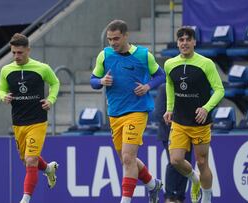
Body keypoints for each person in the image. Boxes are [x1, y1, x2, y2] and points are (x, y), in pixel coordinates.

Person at [90, 19, 165, 203]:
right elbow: (93, 80)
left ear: (125, 36)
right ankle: (152, 184)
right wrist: (101, 82)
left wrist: (148, 86)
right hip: (115, 113)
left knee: (128, 157)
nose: (113, 43)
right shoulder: (105, 55)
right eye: (109, 39)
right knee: (126, 160)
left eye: (116, 39)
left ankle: (125, 200)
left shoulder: (143, 55)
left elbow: (161, 75)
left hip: (137, 111)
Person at [163, 27, 224, 203]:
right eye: (181, 40)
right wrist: (169, 108)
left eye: (188, 40)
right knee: (175, 160)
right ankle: (194, 179)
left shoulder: (206, 63)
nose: (184, 43)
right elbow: (170, 85)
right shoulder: (169, 64)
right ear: (177, 43)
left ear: (194, 42)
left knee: (202, 162)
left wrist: (206, 108)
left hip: (200, 123)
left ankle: (206, 197)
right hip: (180, 121)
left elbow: (220, 90)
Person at [0, 33, 60, 203]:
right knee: (26, 159)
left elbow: (55, 83)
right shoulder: (6, 70)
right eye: (14, 53)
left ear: (28, 50)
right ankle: (48, 169)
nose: (16, 56)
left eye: (20, 52)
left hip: (38, 121)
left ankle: (25, 199)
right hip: (18, 122)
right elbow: (1, 90)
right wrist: (3, 97)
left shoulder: (42, 68)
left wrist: (50, 100)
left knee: (31, 160)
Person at [153, 83, 192, 203]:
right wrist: (178, 124)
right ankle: (169, 197)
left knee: (186, 162)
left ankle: (180, 196)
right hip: (168, 133)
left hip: (187, 133)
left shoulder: (187, 88)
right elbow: (159, 113)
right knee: (174, 162)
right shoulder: (163, 88)